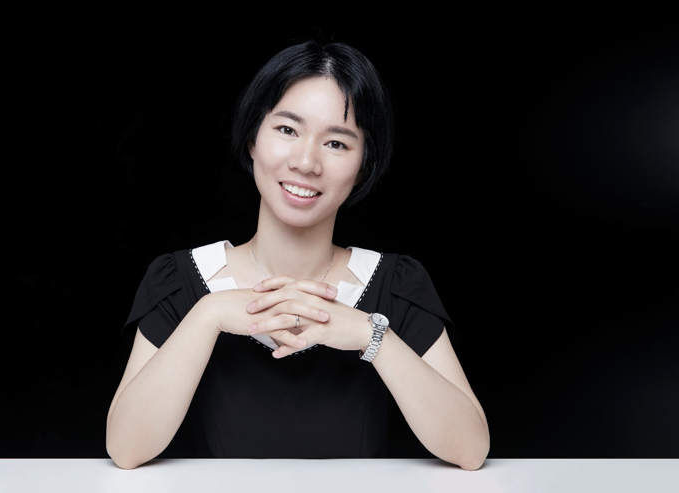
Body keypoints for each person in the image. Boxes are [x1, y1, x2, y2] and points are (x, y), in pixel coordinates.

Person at [106, 38, 489, 470]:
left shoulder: (395, 283)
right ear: (252, 139)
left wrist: (369, 335)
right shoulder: (180, 279)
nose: (306, 163)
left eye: (337, 143)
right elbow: (126, 449)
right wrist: (208, 315)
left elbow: (470, 450)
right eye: (287, 130)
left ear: (363, 166)